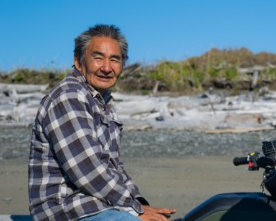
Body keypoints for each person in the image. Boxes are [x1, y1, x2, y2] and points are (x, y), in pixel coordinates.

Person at [28, 24, 176, 221]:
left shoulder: (101, 101)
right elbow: (87, 171)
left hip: (94, 204)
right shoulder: (69, 96)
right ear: (78, 61)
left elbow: (113, 166)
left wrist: (140, 203)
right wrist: (135, 208)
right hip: (66, 209)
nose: (107, 68)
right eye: (98, 58)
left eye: (114, 59)